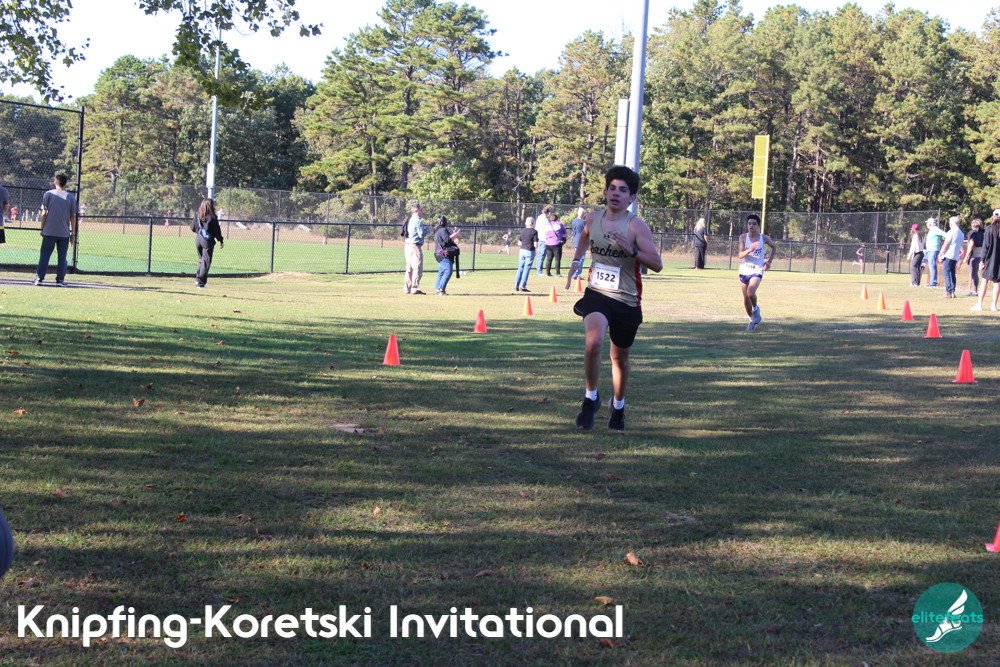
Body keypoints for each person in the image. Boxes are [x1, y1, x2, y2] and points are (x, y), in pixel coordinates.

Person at [564, 165, 663, 433]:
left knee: (619, 358)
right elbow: (585, 238)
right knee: (593, 342)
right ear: (605, 192)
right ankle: (590, 398)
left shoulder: (635, 226)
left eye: (623, 190)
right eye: (612, 189)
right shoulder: (592, 219)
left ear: (632, 197)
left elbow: (657, 264)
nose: (616, 194)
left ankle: (618, 405)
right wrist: (576, 261)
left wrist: (631, 250)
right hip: (597, 293)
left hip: (626, 300)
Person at [34, 173, 78, 287]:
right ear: (66, 183)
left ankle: (39, 278)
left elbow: (44, 213)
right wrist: (73, 233)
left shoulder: (48, 194)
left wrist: (42, 228)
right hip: (64, 233)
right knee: (62, 257)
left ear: (55, 182)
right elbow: (73, 216)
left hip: (49, 231)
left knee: (44, 255)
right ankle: (59, 280)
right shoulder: (71, 197)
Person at [738, 214, 777, 332]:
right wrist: (750, 249)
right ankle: (752, 320)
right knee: (746, 299)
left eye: (754, 224)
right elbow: (740, 255)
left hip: (757, 269)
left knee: (750, 292)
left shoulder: (763, 238)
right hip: (745, 269)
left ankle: (756, 309)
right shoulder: (743, 237)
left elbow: (774, 247)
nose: (751, 226)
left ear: (758, 225)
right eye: (749, 224)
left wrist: (769, 262)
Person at [191, 198, 224, 288]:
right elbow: (217, 231)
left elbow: (193, 227)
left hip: (198, 239)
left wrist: (199, 231)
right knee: (206, 261)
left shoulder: (198, 214)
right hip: (207, 241)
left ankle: (197, 279)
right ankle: (201, 283)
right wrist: (221, 240)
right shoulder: (212, 217)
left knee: (201, 260)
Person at [971, 209, 1000, 312]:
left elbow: (986, 246)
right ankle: (994, 305)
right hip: (998, 260)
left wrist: (982, 260)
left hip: (989, 258)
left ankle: (979, 304)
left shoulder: (989, 229)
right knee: (997, 282)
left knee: (984, 281)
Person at [403, 203, 427, 294]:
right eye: (421, 210)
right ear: (416, 211)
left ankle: (407, 288)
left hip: (407, 245)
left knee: (409, 268)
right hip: (415, 246)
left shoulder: (409, 219)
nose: (422, 211)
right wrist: (428, 229)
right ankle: (415, 288)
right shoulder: (418, 221)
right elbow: (421, 234)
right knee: (417, 267)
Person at [433, 216, 461, 295]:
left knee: (441, 272)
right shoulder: (442, 230)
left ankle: (438, 289)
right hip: (444, 254)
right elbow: (447, 239)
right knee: (448, 271)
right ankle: (441, 289)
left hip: (439, 254)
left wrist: (454, 235)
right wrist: (455, 234)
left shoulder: (438, 230)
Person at [938, 216, 964, 298]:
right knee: (952, 273)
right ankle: (952, 291)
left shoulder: (951, 232)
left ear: (951, 223)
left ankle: (948, 291)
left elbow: (946, 244)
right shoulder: (961, 233)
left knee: (946, 272)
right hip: (955, 256)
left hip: (949, 255)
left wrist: (940, 254)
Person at [514, 217, 538, 292]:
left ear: (526, 223)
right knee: (526, 269)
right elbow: (536, 244)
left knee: (520, 268)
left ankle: (516, 286)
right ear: (533, 223)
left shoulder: (522, 231)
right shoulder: (534, 232)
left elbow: (519, 243)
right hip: (530, 251)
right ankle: (523, 286)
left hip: (522, 250)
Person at [924, 217, 946, 287]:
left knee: (932, 266)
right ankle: (932, 282)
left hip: (933, 250)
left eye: (928, 223)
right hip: (930, 250)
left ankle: (933, 282)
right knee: (931, 266)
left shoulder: (935, 229)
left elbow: (945, 234)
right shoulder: (932, 230)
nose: (927, 224)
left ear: (930, 224)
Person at [544, 211, 567, 276]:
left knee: (549, 259)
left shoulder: (547, 225)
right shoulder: (559, 224)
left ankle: (548, 273)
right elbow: (564, 231)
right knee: (557, 259)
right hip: (556, 243)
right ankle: (557, 273)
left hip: (548, 243)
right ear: (556, 218)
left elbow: (545, 232)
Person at [965, 218, 984, 295]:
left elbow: (971, 244)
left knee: (973, 273)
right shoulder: (983, 233)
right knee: (980, 274)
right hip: (982, 255)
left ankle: (974, 290)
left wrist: (966, 256)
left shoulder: (972, 233)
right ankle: (977, 289)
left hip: (974, 255)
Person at [535, 206, 552, 276]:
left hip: (539, 238)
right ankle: (539, 271)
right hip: (544, 239)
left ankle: (538, 270)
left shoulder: (538, 218)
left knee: (539, 255)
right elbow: (548, 229)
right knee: (542, 255)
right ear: (548, 213)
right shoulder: (546, 220)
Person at [570, 207, 587, 278]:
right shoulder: (583, 222)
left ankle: (574, 272)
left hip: (575, 240)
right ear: (583, 214)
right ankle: (577, 274)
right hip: (581, 242)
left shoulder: (574, 221)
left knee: (577, 258)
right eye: (585, 213)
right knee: (581, 258)